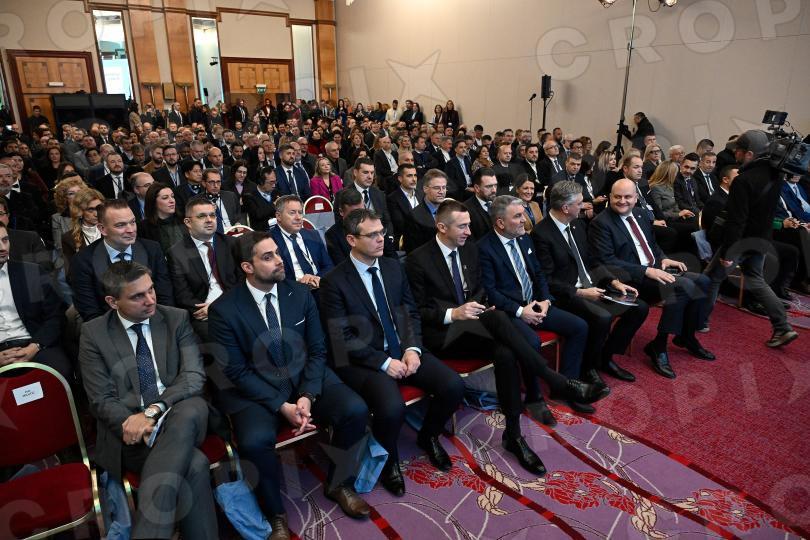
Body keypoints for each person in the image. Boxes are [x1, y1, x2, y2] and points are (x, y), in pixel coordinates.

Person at [406, 199, 607, 469]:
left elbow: (480, 290)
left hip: (475, 326)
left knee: (506, 352)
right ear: (442, 227)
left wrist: (476, 306)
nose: (469, 231)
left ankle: (513, 434)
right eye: (462, 226)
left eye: (469, 225)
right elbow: (417, 311)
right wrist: (454, 313)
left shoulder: (469, 250)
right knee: (498, 318)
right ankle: (554, 380)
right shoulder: (417, 259)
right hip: (443, 335)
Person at [209, 229, 372, 539]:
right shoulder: (224, 310)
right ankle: (276, 514)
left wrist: (308, 394)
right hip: (256, 391)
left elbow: (318, 349)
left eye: (277, 252)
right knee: (254, 442)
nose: (279, 260)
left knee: (355, 409)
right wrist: (280, 405)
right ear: (247, 267)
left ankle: (340, 484)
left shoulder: (299, 293)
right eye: (268, 256)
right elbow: (236, 372)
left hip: (303, 378)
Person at [319, 209, 465, 496]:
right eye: (372, 234)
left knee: (453, 386)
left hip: (402, 349)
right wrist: (384, 362)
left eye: (382, 232)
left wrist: (412, 349)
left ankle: (428, 436)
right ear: (351, 239)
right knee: (392, 408)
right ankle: (389, 462)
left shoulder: (393, 267)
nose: (381, 239)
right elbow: (341, 338)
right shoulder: (334, 281)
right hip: (365, 360)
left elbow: (409, 312)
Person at [79, 261, 217, 539]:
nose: (150, 300)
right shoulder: (94, 333)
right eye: (137, 296)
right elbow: (100, 398)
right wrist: (135, 424)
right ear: (112, 302)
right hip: (131, 433)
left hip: (178, 414)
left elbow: (193, 376)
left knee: (191, 407)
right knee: (195, 465)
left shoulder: (175, 318)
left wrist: (153, 410)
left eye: (151, 290)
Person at [477, 195, 606, 412]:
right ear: (500, 222)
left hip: (536, 304)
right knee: (532, 342)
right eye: (518, 216)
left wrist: (546, 300)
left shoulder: (524, 239)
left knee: (579, 326)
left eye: (524, 214)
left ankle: (566, 386)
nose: (524, 220)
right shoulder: (484, 248)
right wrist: (521, 311)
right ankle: (534, 396)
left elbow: (539, 274)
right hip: (509, 312)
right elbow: (490, 292)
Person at [589, 179, 714, 379]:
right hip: (629, 279)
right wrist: (646, 271)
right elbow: (607, 261)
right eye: (617, 197)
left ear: (636, 198)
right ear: (610, 197)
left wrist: (664, 258)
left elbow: (652, 245)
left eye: (627, 197)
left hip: (654, 269)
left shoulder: (641, 214)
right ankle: (659, 345)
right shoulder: (601, 223)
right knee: (681, 286)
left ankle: (687, 336)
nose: (622, 201)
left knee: (703, 281)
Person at [533, 181, 648, 383]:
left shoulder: (577, 224)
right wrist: (580, 292)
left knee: (639, 307)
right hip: (566, 294)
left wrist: (613, 281)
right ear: (566, 208)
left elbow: (592, 261)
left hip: (591, 286)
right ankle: (588, 367)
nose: (584, 206)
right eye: (579, 203)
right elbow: (546, 279)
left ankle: (606, 356)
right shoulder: (541, 234)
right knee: (602, 317)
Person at [706, 130, 799, 348]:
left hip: (741, 241)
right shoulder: (775, 175)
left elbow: (736, 221)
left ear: (749, 154)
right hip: (762, 240)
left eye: (738, 150)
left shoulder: (743, 180)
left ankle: (699, 321)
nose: (734, 154)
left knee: (711, 279)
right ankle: (782, 326)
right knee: (756, 280)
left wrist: (728, 252)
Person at [69, 198, 173, 321]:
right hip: (109, 327)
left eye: (132, 222)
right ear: (102, 229)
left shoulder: (152, 249)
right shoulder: (82, 261)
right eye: (121, 225)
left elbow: (165, 296)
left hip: (154, 321)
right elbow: (90, 311)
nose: (131, 230)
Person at [0, 222, 71, 378]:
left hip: (34, 342)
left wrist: (35, 346)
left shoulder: (31, 272)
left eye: (5, 240)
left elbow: (56, 316)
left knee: (58, 372)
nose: (3, 247)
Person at [167, 196, 239, 342]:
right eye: (201, 216)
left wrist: (217, 307)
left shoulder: (231, 243)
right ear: (188, 222)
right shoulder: (177, 253)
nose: (209, 220)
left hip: (234, 305)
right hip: (203, 315)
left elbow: (242, 281)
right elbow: (183, 295)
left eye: (212, 215)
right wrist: (211, 311)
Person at [270, 195, 333, 290]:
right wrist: (298, 285)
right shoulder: (268, 240)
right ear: (278, 216)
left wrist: (317, 278)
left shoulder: (313, 234)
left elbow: (328, 266)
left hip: (320, 288)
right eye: (292, 213)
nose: (298, 217)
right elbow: (270, 277)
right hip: (291, 292)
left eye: (300, 212)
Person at [402, 169, 447, 252]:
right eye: (437, 188)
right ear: (425, 189)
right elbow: (413, 251)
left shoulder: (450, 210)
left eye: (444, 187)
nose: (441, 192)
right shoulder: (413, 217)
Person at [386, 163, 422, 249]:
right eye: (409, 176)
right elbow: (400, 224)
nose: (414, 179)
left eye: (415, 175)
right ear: (400, 178)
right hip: (407, 240)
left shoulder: (421, 194)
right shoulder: (392, 198)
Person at [202, 168, 241, 233]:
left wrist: (238, 223)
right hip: (213, 235)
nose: (216, 186)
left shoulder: (231, 196)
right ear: (204, 183)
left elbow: (238, 215)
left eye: (218, 182)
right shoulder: (197, 201)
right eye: (212, 182)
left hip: (233, 232)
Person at [464, 167, 497, 239]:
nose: (494, 190)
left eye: (495, 185)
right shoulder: (466, 209)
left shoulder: (500, 203)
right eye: (489, 186)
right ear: (477, 188)